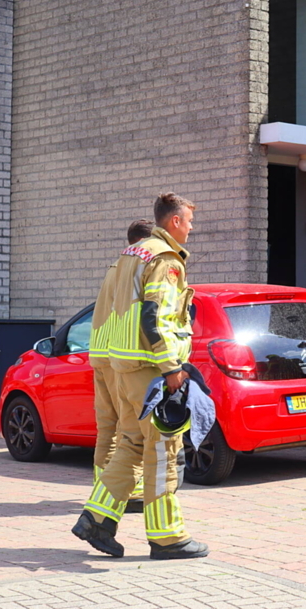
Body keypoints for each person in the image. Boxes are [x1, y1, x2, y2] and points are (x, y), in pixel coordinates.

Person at [72, 193, 208, 560]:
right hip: (152, 370)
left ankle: (96, 518)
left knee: (131, 443)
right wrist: (172, 369)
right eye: (190, 221)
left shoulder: (131, 253)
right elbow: (156, 317)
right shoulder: (166, 259)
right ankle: (167, 538)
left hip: (124, 367)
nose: (192, 227)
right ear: (175, 221)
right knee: (164, 449)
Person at [88, 218, 154, 513]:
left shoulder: (114, 266)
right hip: (119, 356)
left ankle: (102, 489)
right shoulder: (135, 267)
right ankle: (127, 493)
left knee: (107, 429)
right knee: (130, 433)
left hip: (99, 353)